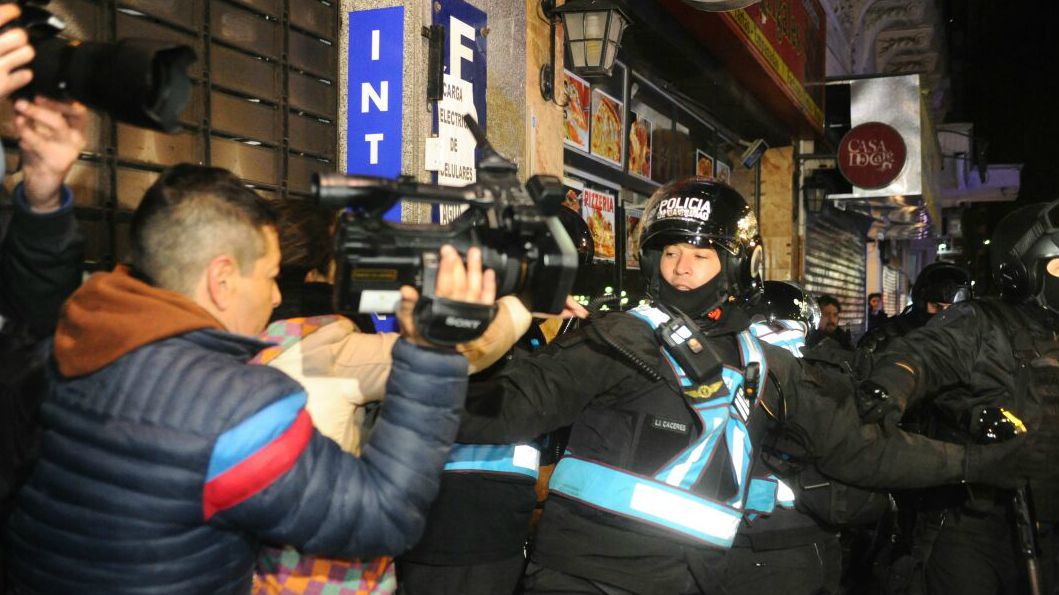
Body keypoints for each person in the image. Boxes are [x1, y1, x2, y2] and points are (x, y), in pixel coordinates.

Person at [455, 177, 1050, 594]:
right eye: (670, 254)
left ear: (737, 265)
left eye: (701, 255)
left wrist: (973, 463)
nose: (681, 269)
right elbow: (511, 406)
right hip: (584, 576)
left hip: (697, 580)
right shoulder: (618, 337)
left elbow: (860, 448)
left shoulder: (766, 362)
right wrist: (432, 369)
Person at [3, 164, 497, 594]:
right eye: (269, 276)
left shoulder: (70, 340)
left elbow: (31, 309)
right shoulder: (235, 408)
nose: (276, 298)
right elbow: (382, 516)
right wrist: (432, 352)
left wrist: (41, 204)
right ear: (221, 280)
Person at [250, 199, 542, 594]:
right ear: (322, 270)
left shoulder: (246, 342)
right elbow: (462, 349)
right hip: (329, 575)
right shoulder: (326, 351)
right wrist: (525, 300)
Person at [857, 199, 1059, 595]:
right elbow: (921, 356)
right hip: (980, 524)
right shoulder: (981, 322)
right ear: (1024, 269)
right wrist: (892, 385)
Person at [858, 262, 972, 354]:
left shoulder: (970, 345)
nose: (944, 315)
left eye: (951, 309)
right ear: (920, 303)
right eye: (936, 306)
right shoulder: (882, 340)